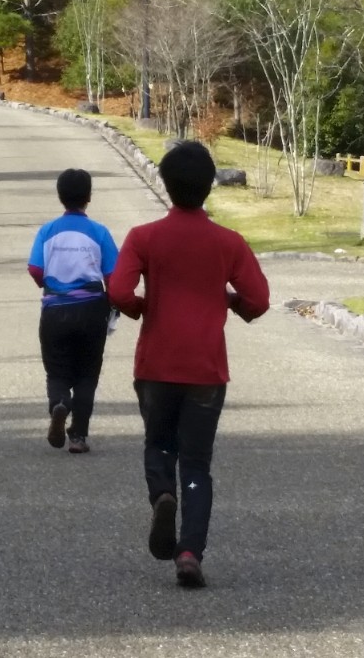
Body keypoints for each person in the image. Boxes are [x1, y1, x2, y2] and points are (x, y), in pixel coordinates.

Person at [108, 141, 270, 589]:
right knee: (197, 463)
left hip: (156, 362)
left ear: (165, 183)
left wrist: (143, 308)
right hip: (206, 369)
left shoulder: (144, 237)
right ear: (209, 188)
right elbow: (258, 301)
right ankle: (189, 552)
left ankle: (162, 493)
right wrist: (230, 299)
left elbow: (119, 292)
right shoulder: (228, 242)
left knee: (159, 442)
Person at [27, 169, 119, 454]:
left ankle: (59, 403)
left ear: (60, 196)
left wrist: (48, 283)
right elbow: (113, 275)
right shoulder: (100, 232)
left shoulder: (47, 231)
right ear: (89, 197)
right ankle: (78, 435)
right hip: (91, 308)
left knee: (57, 370)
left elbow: (35, 268)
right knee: (87, 374)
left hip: (55, 308)